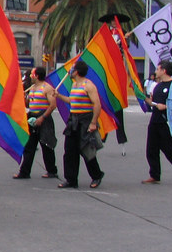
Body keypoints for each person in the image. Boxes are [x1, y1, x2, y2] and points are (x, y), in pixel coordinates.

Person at [55, 61, 104, 189]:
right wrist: (59, 96)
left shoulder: (89, 85)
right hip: (73, 120)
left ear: (76, 71)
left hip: (85, 120)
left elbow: (97, 104)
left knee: (86, 150)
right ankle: (71, 180)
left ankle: (97, 175)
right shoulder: (75, 84)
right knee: (70, 151)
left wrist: (93, 123)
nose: (69, 70)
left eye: (72, 69)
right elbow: (71, 101)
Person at [142, 59, 172, 184]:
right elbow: (153, 102)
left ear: (164, 70)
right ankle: (155, 174)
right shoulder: (157, 86)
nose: (156, 71)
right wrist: (147, 100)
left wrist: (165, 107)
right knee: (151, 149)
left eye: (158, 69)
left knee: (168, 149)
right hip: (155, 120)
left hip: (166, 122)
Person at [14, 66, 59, 180]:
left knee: (46, 145)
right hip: (32, 118)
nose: (30, 76)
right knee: (29, 146)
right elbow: (29, 103)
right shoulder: (32, 88)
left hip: (44, 118)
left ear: (37, 76)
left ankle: (51, 170)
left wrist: (42, 118)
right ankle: (24, 172)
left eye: (32, 74)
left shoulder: (47, 88)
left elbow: (53, 105)